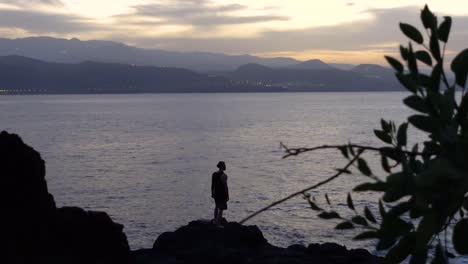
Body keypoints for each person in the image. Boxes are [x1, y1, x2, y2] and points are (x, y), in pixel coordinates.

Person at [211, 161, 229, 226]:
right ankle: (217, 223)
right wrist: (227, 195)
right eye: (224, 165)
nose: (225, 166)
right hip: (222, 194)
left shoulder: (214, 174)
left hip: (216, 193)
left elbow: (212, 185)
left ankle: (215, 219)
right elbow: (225, 187)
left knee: (216, 206)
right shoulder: (224, 175)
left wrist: (212, 193)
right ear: (222, 166)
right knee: (221, 209)